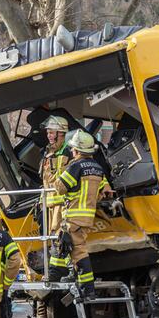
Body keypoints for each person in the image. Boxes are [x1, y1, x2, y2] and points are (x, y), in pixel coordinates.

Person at [53, 129, 111, 299]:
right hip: (87, 216)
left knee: (78, 251)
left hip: (73, 217)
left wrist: (60, 171)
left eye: (73, 149)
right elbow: (101, 192)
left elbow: (60, 187)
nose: (71, 152)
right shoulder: (98, 168)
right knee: (64, 245)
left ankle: (88, 289)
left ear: (77, 151)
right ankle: (71, 274)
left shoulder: (75, 166)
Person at [41, 116, 73, 284]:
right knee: (54, 237)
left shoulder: (70, 152)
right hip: (50, 204)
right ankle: (56, 271)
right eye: (48, 132)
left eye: (52, 132)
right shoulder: (49, 153)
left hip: (64, 204)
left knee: (60, 237)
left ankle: (58, 272)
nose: (49, 136)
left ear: (62, 133)